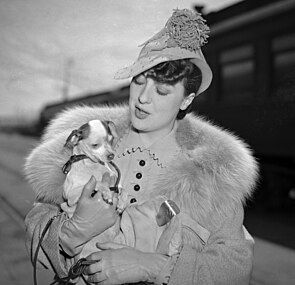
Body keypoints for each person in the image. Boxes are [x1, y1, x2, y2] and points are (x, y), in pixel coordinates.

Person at [24, 8, 258, 285]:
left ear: (186, 100)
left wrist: (155, 267)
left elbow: (235, 268)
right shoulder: (86, 145)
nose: (143, 99)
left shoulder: (212, 174)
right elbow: (37, 220)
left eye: (162, 91)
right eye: (139, 81)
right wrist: (68, 234)